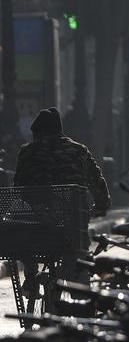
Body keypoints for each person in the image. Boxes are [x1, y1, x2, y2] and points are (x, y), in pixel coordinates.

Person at [14, 107, 111, 298]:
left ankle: (32, 274)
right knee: (78, 252)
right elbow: (96, 181)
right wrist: (101, 204)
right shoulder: (78, 150)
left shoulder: (27, 152)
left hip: (36, 221)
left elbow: (19, 186)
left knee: (23, 237)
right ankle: (80, 291)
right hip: (72, 220)